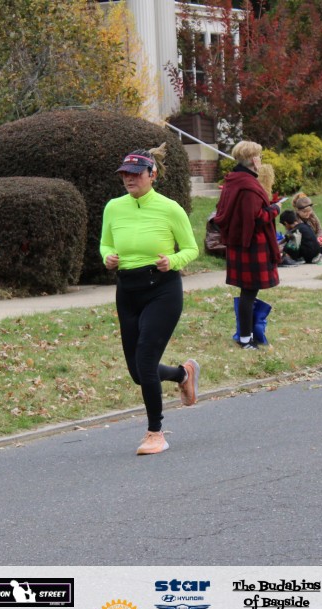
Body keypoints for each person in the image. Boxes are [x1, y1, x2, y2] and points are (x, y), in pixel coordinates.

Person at [100, 145, 200, 455]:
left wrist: (173, 261)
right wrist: (108, 257)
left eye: (135, 174)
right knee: (137, 373)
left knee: (145, 361)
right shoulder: (113, 207)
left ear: (152, 174)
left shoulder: (170, 208)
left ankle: (155, 433)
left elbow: (191, 248)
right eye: (124, 174)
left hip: (162, 290)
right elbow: (105, 244)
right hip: (128, 290)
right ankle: (183, 374)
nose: (128, 179)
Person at [213, 140, 281, 349]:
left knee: (248, 293)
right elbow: (256, 218)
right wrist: (276, 209)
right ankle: (245, 339)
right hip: (251, 245)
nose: (260, 159)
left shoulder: (234, 180)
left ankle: (249, 334)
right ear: (253, 159)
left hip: (240, 243)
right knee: (248, 293)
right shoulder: (248, 186)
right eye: (259, 156)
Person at [281, 193, 322, 264]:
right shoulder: (294, 219)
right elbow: (291, 237)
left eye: (309, 211)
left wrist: (318, 239)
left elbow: (319, 229)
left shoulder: (312, 216)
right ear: (298, 210)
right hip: (303, 244)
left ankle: (317, 254)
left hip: (313, 242)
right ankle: (317, 254)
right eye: (304, 212)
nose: (308, 213)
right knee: (321, 251)